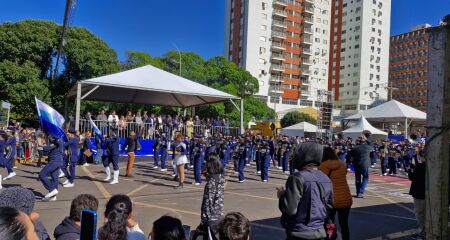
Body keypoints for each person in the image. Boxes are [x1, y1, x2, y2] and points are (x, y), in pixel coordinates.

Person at [277, 142, 333, 240]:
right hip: (319, 232)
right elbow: (329, 207)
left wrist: (282, 196)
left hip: (300, 232)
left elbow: (289, 210)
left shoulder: (297, 178)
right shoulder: (325, 178)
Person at [319, 147, 352, 240]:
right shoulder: (342, 164)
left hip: (331, 199)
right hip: (345, 197)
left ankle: (332, 236)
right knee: (344, 224)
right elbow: (344, 173)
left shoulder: (322, 166)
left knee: (330, 222)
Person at [196, 154, 225, 237]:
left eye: (207, 162)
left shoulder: (211, 183)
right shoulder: (220, 177)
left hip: (211, 219)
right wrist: (208, 176)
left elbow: (208, 203)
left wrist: (204, 220)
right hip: (219, 214)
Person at [39, 135, 64, 201]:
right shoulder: (57, 141)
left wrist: (43, 144)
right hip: (57, 161)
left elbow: (46, 149)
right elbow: (46, 151)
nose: (50, 137)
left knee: (42, 174)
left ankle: (52, 189)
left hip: (54, 161)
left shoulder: (57, 141)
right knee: (54, 178)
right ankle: (53, 196)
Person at [408, 149, 426, 240]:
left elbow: (411, 177)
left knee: (419, 212)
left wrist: (410, 169)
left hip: (420, 193)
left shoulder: (420, 166)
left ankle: (423, 233)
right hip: (428, 193)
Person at [349, 133, 373, 198]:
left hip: (357, 164)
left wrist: (348, 163)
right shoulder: (367, 147)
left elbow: (348, 155)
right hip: (365, 164)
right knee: (365, 178)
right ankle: (361, 192)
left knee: (357, 179)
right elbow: (371, 144)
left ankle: (358, 192)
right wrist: (366, 139)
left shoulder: (355, 148)